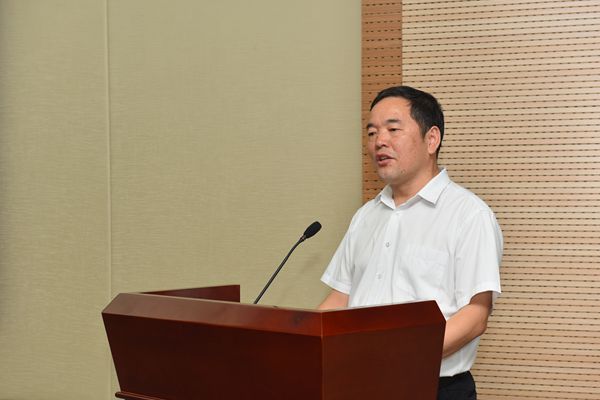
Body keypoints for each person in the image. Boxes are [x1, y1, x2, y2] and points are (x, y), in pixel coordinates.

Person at [318, 86, 502, 400]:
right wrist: (306, 345)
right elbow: (340, 298)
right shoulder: (365, 216)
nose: (379, 141)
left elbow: (475, 316)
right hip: (358, 383)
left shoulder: (469, 215)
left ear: (432, 139)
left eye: (393, 129)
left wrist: (398, 360)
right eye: (372, 132)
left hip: (432, 388)